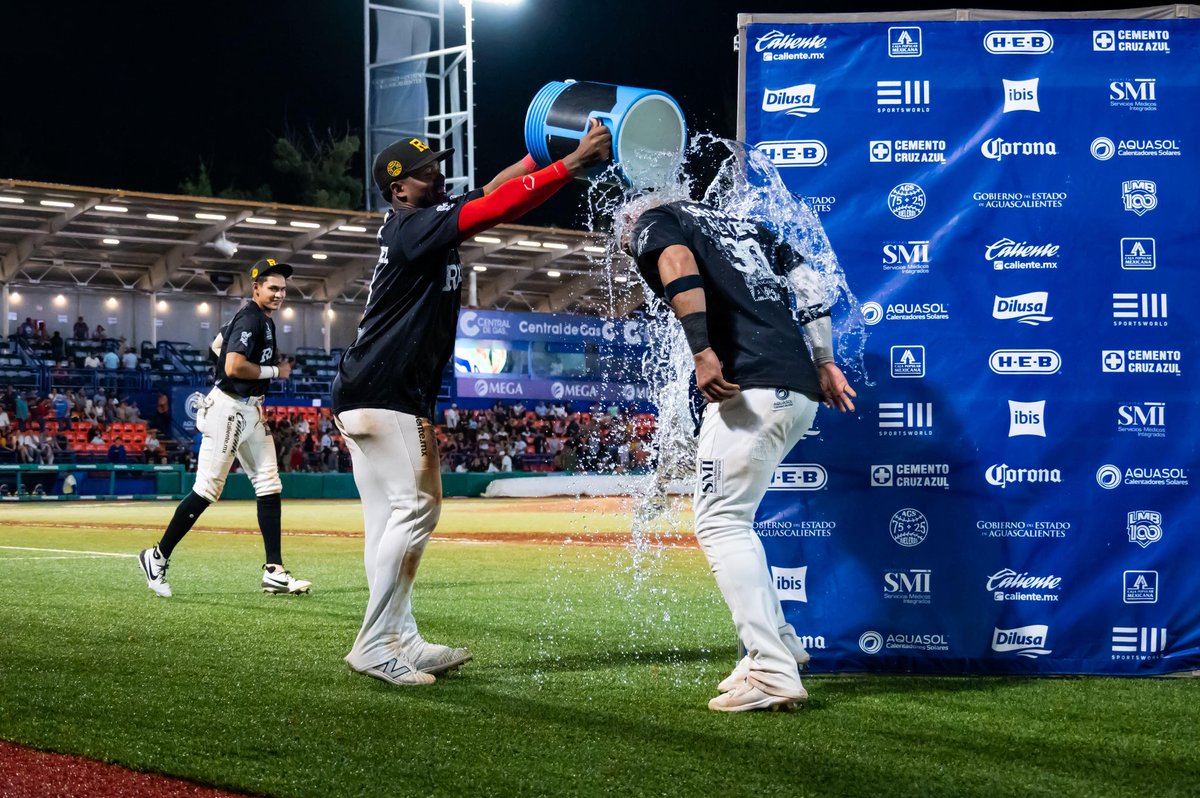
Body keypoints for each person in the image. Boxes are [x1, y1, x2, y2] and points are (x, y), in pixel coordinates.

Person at [331, 124, 611, 686]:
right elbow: (492, 209)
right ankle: (376, 643)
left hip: (366, 390)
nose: (436, 173)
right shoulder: (414, 227)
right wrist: (571, 165)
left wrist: (540, 151)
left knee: (386, 520)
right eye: (423, 170)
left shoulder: (416, 223)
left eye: (436, 165)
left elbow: (491, 191)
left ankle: (400, 639)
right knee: (420, 508)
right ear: (397, 189)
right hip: (389, 393)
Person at [622, 197, 856, 713]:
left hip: (747, 385)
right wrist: (824, 360)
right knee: (736, 520)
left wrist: (703, 351)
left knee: (720, 522)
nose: (628, 247)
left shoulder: (655, 222)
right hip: (798, 390)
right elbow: (811, 283)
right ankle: (780, 642)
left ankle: (772, 669)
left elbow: (676, 262)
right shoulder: (749, 227)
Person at [137, 259, 310, 599]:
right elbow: (232, 365)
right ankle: (156, 557)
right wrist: (275, 373)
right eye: (272, 288)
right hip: (229, 409)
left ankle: (274, 571)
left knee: (269, 483)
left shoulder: (254, 317)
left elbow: (218, 345)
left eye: (283, 289)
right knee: (207, 490)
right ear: (256, 287)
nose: (279, 294)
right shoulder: (251, 318)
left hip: (247, 409)